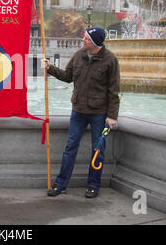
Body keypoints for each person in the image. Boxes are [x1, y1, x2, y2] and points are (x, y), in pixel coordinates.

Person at [42, 27, 120, 199]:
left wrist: (112, 116)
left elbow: (114, 91)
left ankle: (94, 185)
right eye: (84, 37)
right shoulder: (79, 55)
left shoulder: (110, 60)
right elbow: (67, 76)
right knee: (70, 147)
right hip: (78, 110)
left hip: (99, 113)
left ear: (95, 43)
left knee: (97, 150)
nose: (82, 40)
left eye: (86, 39)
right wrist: (50, 68)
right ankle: (60, 184)